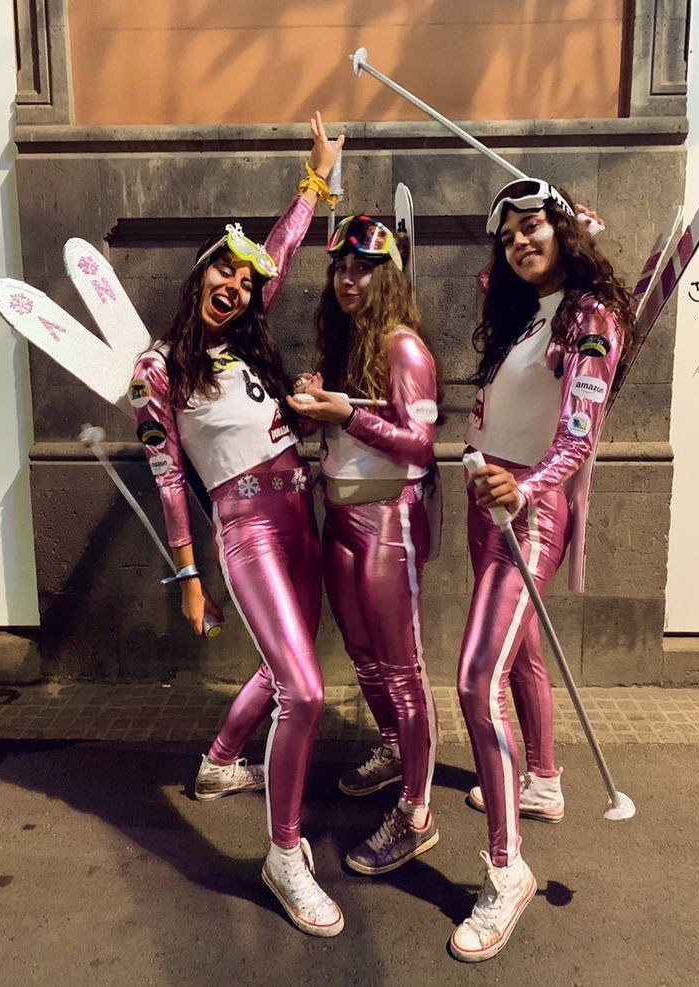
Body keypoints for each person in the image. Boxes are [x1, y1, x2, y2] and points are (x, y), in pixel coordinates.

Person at [129, 114, 346, 938]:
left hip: (305, 513)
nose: (237, 284)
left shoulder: (248, 349)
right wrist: (188, 578)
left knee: (284, 665)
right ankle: (284, 853)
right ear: (197, 279)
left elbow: (280, 253)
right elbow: (168, 482)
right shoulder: (157, 369)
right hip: (246, 525)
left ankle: (221, 762)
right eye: (223, 271)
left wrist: (314, 182)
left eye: (245, 280)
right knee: (307, 687)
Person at [450, 179, 634, 962]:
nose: (520, 243)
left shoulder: (591, 316)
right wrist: (566, 229)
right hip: (486, 494)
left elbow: (580, 434)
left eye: (534, 227)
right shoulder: (527, 309)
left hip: (527, 504)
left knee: (472, 679)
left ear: (561, 229)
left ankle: (506, 870)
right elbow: (495, 276)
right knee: (518, 652)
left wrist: (522, 487)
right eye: (510, 234)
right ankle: (545, 779)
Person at [288, 215, 441, 875]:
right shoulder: (348, 336)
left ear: (387, 276)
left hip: (388, 520)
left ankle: (417, 812)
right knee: (364, 655)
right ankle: (393, 752)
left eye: (362, 268)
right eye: (341, 267)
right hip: (341, 518)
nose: (348, 279)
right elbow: (347, 426)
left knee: (401, 665)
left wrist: (344, 411)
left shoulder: (403, 348)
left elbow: (421, 443)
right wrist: (318, 402)